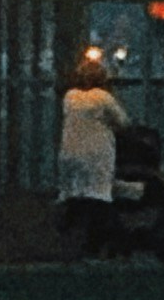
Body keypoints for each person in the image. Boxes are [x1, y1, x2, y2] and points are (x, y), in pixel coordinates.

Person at [56, 52, 131, 257]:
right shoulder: (103, 98)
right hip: (96, 154)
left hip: (69, 154)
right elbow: (124, 123)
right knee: (98, 197)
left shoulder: (69, 97)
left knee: (75, 193)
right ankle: (99, 244)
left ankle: (68, 237)